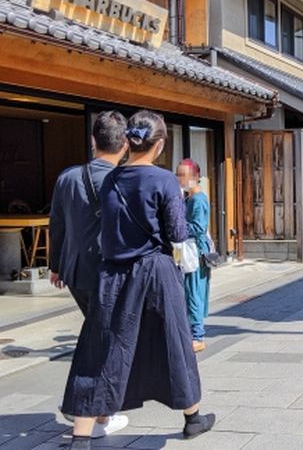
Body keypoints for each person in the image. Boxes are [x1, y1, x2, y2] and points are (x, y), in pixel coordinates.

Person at [61, 111, 214, 450]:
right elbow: (176, 233)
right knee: (174, 342)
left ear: (130, 140)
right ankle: (192, 418)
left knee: (99, 349)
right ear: (159, 145)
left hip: (113, 273)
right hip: (156, 271)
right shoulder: (163, 181)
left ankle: (81, 437)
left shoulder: (112, 179)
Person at [48, 111, 130, 439]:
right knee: (106, 343)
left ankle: (95, 410)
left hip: (76, 272)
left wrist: (55, 266)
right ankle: (93, 412)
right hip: (110, 275)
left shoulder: (67, 178)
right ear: (124, 145)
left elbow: (57, 225)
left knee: (98, 336)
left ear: (93, 141)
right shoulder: (122, 181)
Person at [176, 159, 212, 352]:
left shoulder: (197, 199)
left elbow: (198, 227)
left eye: (184, 175)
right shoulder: (189, 197)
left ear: (196, 177)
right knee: (190, 292)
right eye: (178, 174)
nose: (180, 179)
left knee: (193, 293)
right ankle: (193, 333)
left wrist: (176, 227)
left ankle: (198, 336)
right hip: (190, 251)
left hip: (195, 252)